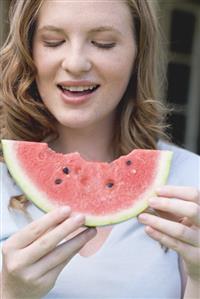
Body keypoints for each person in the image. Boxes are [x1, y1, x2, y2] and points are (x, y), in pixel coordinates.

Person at [0, 0, 199, 298]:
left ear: (137, 55)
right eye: (53, 41)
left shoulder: (190, 180)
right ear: (30, 52)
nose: (76, 62)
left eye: (103, 43)